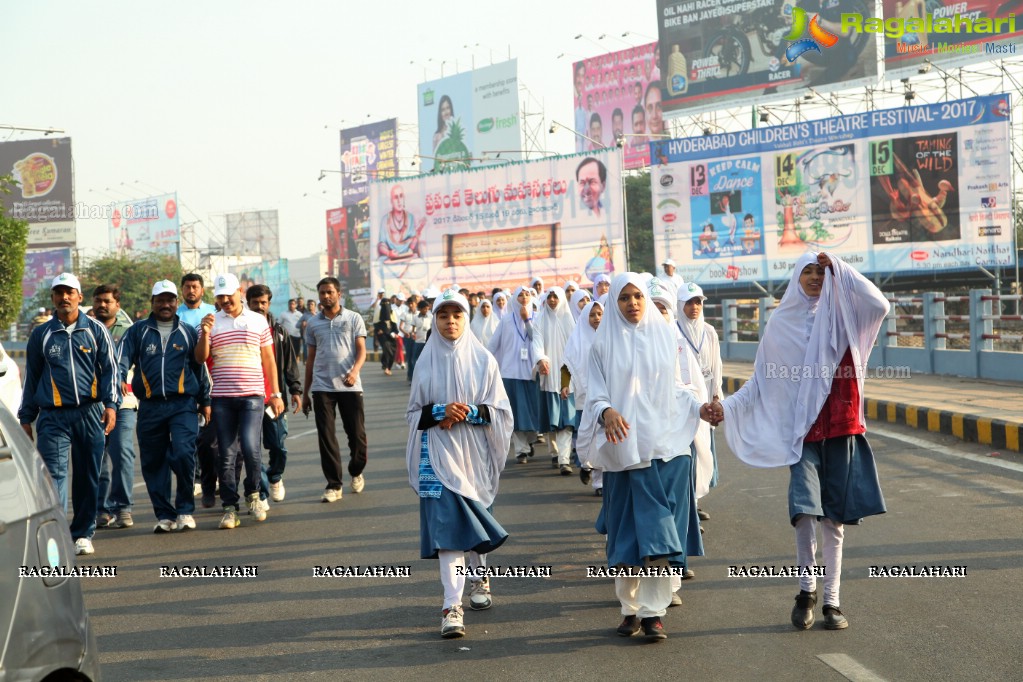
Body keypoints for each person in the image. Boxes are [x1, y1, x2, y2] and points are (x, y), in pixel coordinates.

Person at [717, 252, 889, 631]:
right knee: (804, 514)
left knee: (835, 520)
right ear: (796, 278)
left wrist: (841, 267)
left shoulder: (849, 317)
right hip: (803, 433)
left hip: (842, 428)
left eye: (821, 273)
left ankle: (833, 601)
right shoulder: (780, 324)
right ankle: (806, 590)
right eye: (808, 272)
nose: (814, 278)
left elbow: (880, 302)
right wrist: (726, 408)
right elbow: (759, 382)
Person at [576, 273, 716, 641]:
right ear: (614, 304)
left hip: (665, 448)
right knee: (627, 535)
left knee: (658, 535)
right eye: (624, 298)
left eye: (638, 296)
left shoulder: (667, 337)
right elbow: (595, 392)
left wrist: (699, 408)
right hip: (623, 451)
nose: (633, 303)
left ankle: (653, 612)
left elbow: (677, 388)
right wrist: (606, 411)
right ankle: (628, 607)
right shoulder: (601, 346)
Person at [406, 289, 514, 639]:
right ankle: (451, 605)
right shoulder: (424, 361)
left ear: (465, 319)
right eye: (443, 315)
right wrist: (439, 411)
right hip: (438, 456)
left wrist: (469, 411)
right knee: (448, 534)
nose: (449, 321)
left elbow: (500, 412)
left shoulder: (484, 360)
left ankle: (480, 577)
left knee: (475, 526)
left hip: (474, 456)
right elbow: (413, 414)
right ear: (434, 320)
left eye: (456, 315)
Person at [19, 273, 120, 556]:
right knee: (53, 477)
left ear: (79, 296)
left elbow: (111, 371)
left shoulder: (96, 330)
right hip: (53, 417)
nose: (64, 298)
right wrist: (26, 418)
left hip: (90, 413)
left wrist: (111, 405)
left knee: (88, 475)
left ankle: (83, 533)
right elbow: (32, 377)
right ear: (52, 298)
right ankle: (59, 535)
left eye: (69, 292)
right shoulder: (41, 334)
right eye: (58, 293)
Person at [118, 280, 211, 533]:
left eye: (170, 300)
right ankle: (165, 515)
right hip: (149, 406)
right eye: (160, 300)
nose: (166, 304)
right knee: (153, 461)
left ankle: (184, 510)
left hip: (183, 404)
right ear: (153, 303)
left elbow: (199, 369)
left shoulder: (188, 331)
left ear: (176, 303)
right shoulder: (137, 332)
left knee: (182, 453)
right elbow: (121, 362)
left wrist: (205, 401)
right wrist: (115, 387)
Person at [196, 273, 285, 529]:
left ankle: (253, 495)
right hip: (222, 398)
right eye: (220, 296)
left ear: (239, 293)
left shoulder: (257, 321)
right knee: (226, 453)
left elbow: (268, 359)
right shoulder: (212, 322)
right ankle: (229, 508)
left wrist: (276, 394)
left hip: (253, 397)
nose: (225, 300)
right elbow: (200, 358)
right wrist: (204, 332)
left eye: (229, 295)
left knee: (250, 448)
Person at [303, 277, 369, 503]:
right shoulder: (313, 324)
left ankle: (356, 469)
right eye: (322, 293)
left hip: (350, 386)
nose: (325, 296)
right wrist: (305, 393)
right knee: (326, 437)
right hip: (322, 387)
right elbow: (310, 359)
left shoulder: (353, 318)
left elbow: (362, 351)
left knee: (357, 437)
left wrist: (354, 371)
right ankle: (333, 485)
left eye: (329, 292)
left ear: (339, 294)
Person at [246, 284, 303, 503]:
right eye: (255, 303)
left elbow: (289, 364)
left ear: (269, 304)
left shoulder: (279, 332)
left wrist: (295, 390)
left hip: (274, 399)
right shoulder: (239, 329)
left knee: (278, 445)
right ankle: (261, 493)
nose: (259, 307)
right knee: (252, 449)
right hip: (248, 398)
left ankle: (275, 476)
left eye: (263, 303)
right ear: (248, 304)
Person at [91, 285, 138, 531]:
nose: (102, 305)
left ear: (117, 305)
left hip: (124, 403)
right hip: (92, 403)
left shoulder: (130, 331)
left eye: (107, 301)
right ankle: (102, 508)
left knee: (122, 453)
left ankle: (123, 507)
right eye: (98, 300)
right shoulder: (85, 328)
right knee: (97, 456)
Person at [677, 283, 723, 501]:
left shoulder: (709, 332)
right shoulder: (673, 331)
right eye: (689, 302)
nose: (694, 307)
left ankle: (695, 500)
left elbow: (716, 365)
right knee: (688, 449)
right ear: (680, 305)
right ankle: (689, 502)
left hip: (705, 398)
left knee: (703, 450)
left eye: (698, 302)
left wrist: (716, 395)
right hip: (684, 400)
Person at [487, 286, 542, 464]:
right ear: (514, 299)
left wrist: (527, 320)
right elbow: (493, 344)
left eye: (527, 294)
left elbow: (537, 339)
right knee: (516, 413)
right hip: (510, 373)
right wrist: (483, 362)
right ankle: (521, 451)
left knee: (533, 412)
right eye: (520, 295)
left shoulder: (537, 318)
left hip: (532, 372)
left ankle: (530, 439)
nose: (524, 297)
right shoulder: (506, 320)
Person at [531, 287, 577, 475]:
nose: (551, 300)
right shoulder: (540, 319)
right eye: (549, 296)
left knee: (566, 421)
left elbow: (576, 346)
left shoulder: (569, 319)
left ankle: (564, 460)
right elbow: (537, 342)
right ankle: (554, 452)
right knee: (552, 420)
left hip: (567, 378)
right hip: (548, 377)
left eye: (555, 296)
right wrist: (541, 359)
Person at [563, 300, 603, 494]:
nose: (597, 318)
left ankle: (600, 482)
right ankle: (587, 465)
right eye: (592, 315)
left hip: (606, 396)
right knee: (588, 437)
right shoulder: (576, 338)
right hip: (584, 398)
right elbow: (567, 365)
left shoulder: (610, 336)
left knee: (602, 438)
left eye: (599, 314)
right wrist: (565, 385)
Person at [378, 185, 426, 260]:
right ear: (391, 201)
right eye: (396, 197)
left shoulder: (410, 217)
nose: (399, 201)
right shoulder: (385, 220)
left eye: (401, 196)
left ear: (404, 198)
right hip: (390, 258)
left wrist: (417, 233)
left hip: (407, 257)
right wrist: (389, 253)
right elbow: (381, 245)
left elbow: (412, 245)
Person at [408, 299, 432, 382]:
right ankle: (415, 378)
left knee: (427, 361)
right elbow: (413, 329)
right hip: (418, 342)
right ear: (420, 309)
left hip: (427, 342)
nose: (426, 310)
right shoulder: (415, 318)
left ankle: (426, 378)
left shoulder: (431, 317)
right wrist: (413, 334)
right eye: (425, 308)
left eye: (427, 308)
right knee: (415, 360)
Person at [374, 293, 398, 375]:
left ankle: (387, 365)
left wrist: (396, 332)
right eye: (385, 304)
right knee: (387, 348)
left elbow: (394, 323)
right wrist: (379, 330)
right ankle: (387, 367)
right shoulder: (378, 311)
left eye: (388, 304)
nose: (386, 306)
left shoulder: (392, 312)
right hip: (383, 334)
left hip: (391, 335)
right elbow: (376, 324)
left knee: (392, 351)